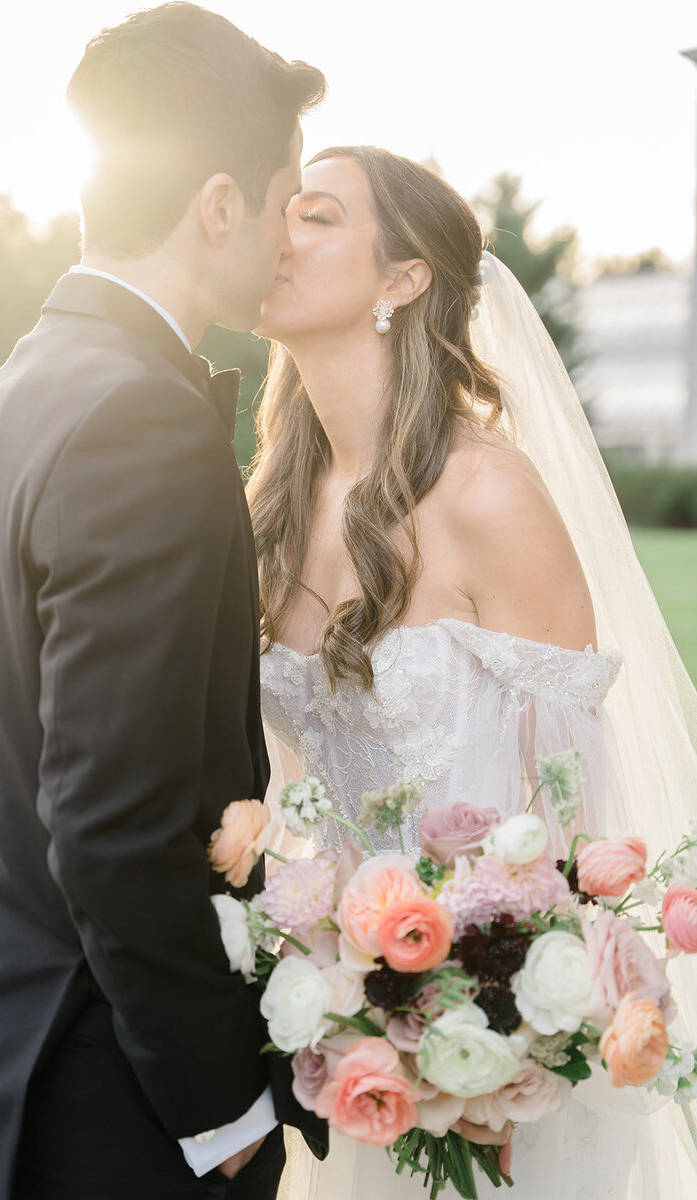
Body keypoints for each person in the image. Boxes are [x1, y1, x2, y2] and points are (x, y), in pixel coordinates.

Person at [0, 6, 327, 1199]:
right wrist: (220, 1113)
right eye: (285, 201)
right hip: (104, 1104)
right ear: (217, 206)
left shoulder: (17, 385)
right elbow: (110, 821)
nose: (286, 238)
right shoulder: (138, 419)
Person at [249, 145, 697, 1198]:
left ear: (403, 280)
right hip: (347, 1030)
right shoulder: (269, 508)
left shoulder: (487, 495)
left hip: (495, 1041)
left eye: (314, 217)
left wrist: (496, 1040)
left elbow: (578, 822)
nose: (278, 236)